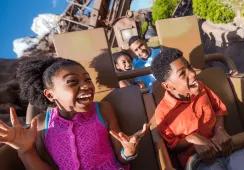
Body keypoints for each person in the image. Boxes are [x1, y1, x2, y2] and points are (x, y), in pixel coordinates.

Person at [0, 56, 148, 170]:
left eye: (87, 79)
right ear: (51, 94)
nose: (86, 86)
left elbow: (121, 157)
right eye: (72, 82)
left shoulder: (103, 109)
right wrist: (26, 150)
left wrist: (128, 152)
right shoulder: (40, 123)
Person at [151, 47, 244, 170]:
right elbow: (173, 145)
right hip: (199, 161)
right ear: (168, 86)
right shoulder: (162, 113)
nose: (192, 74)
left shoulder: (202, 87)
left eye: (190, 67)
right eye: (182, 74)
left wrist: (220, 129)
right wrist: (191, 139)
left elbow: (219, 109)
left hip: (226, 148)